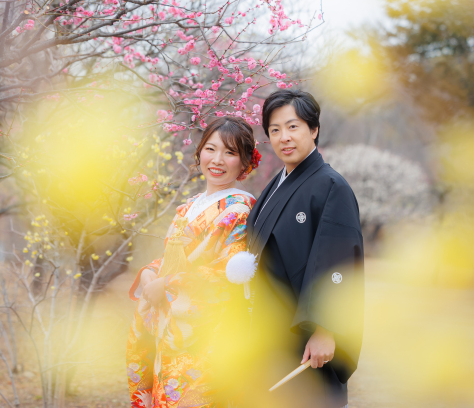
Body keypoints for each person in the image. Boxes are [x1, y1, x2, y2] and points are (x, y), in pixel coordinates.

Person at [126, 117, 261, 408]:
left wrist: (168, 284)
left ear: (245, 162)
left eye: (230, 152)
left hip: (206, 336)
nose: (217, 160)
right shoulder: (189, 206)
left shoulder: (240, 209)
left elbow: (228, 273)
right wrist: (151, 274)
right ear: (199, 152)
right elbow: (172, 260)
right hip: (169, 327)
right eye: (210, 149)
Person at [243, 89, 364, 408]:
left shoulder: (330, 186)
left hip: (306, 338)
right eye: (275, 130)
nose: (284, 137)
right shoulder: (276, 184)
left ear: (314, 129)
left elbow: (338, 262)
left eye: (293, 126)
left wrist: (326, 328)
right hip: (270, 332)